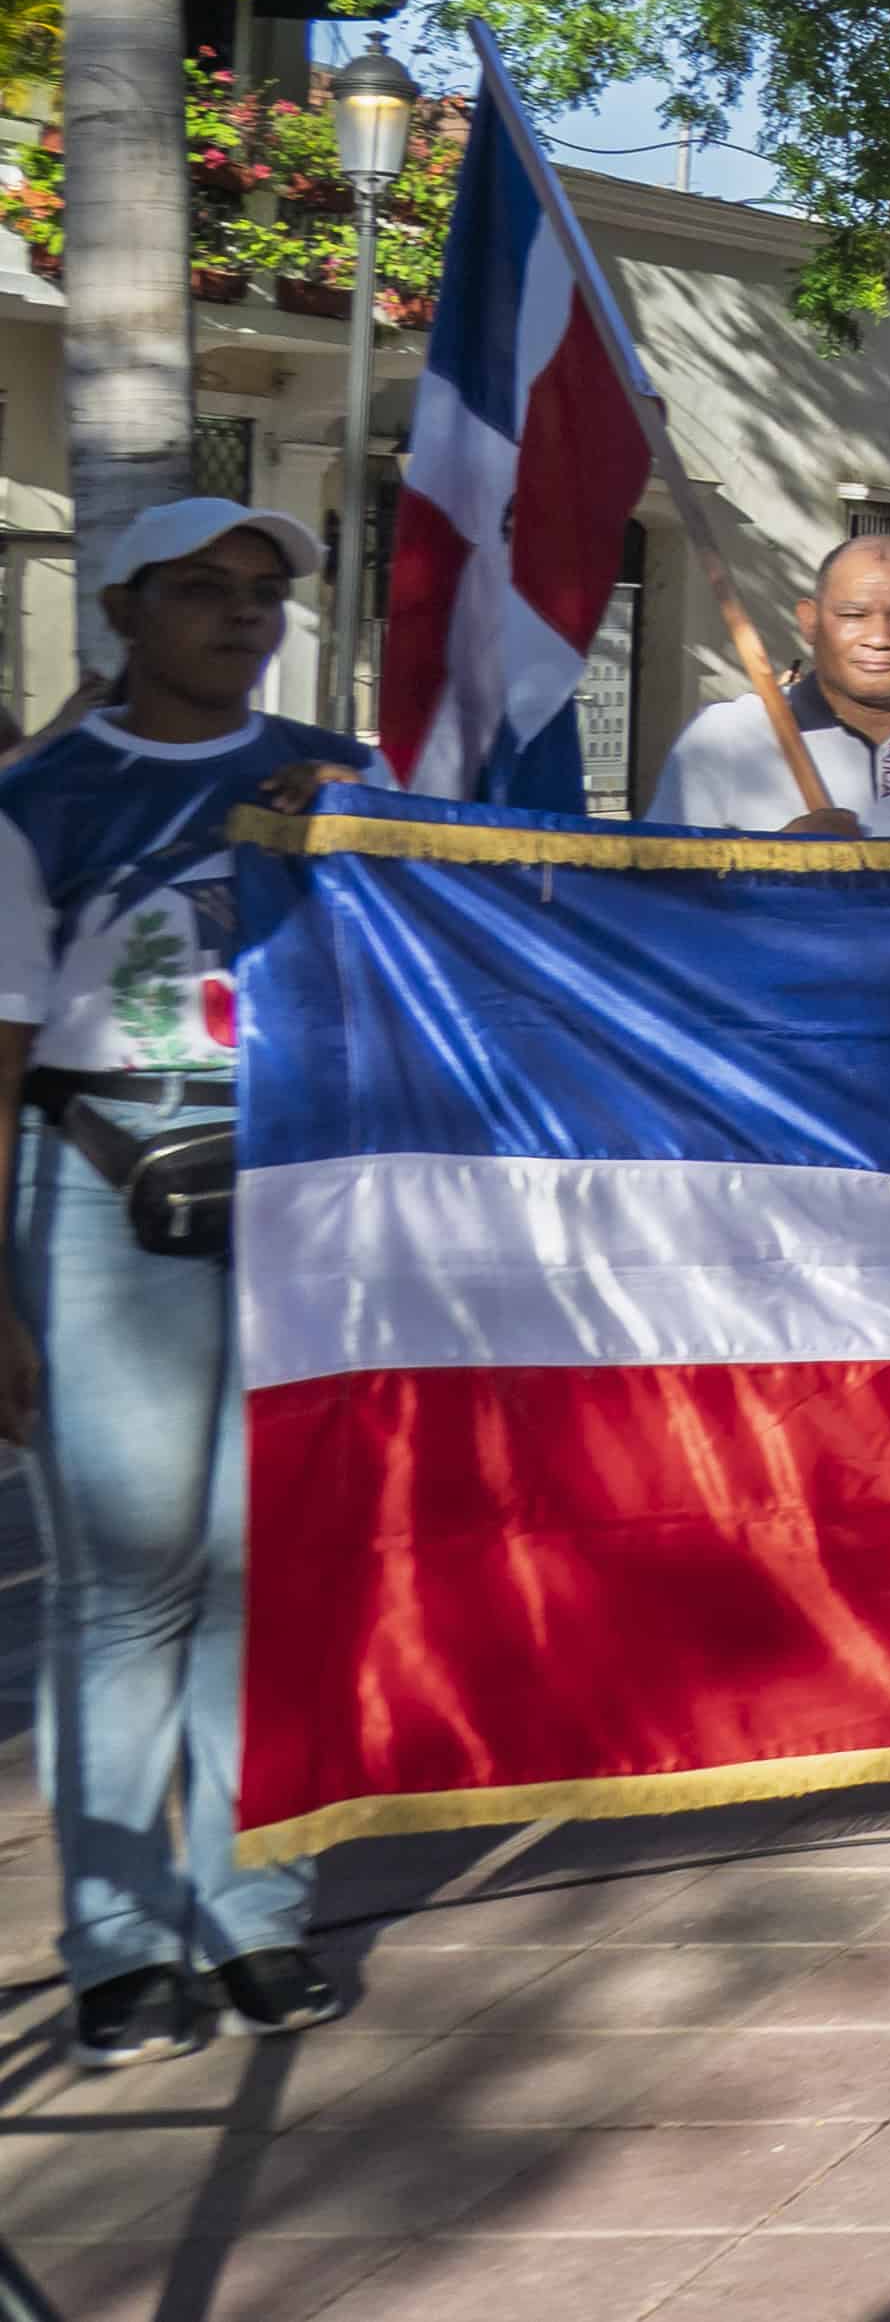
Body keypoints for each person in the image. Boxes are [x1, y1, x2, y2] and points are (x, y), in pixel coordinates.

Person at [5, 501, 376, 2062]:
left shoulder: (335, 776)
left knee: (269, 1561)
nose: (241, 614)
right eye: (202, 590)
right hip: (101, 1187)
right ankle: (116, 1938)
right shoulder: (44, 798)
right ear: (124, 609)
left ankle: (254, 1909)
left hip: (295, 1191)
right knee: (130, 1575)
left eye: (263, 592)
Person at [652, 531, 890, 839]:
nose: (879, 637)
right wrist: (769, 869)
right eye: (853, 614)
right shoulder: (723, 741)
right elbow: (658, 906)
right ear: (810, 622)